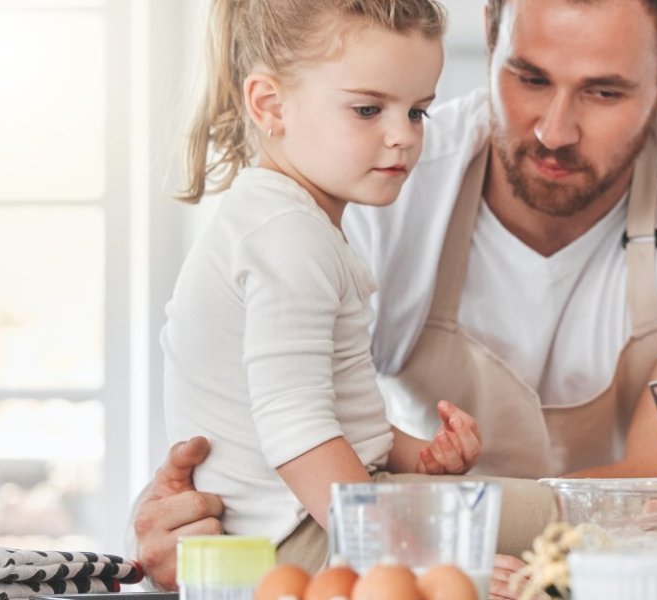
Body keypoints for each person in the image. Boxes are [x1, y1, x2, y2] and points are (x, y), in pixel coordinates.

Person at [133, 0, 657, 590]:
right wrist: (187, 512)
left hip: (554, 547)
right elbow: (294, 427)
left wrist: (411, 460)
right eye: (528, 77)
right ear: (489, 37)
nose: (554, 129)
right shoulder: (363, 181)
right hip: (343, 528)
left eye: (603, 92)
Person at [161, 0, 480, 570]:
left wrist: (419, 455)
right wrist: (403, 558)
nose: (402, 137)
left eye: (417, 113)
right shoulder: (289, 237)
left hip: (301, 516)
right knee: (546, 518)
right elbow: (296, 428)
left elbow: (322, 415)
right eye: (367, 109)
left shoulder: (289, 221)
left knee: (513, 517)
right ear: (270, 105)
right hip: (292, 535)